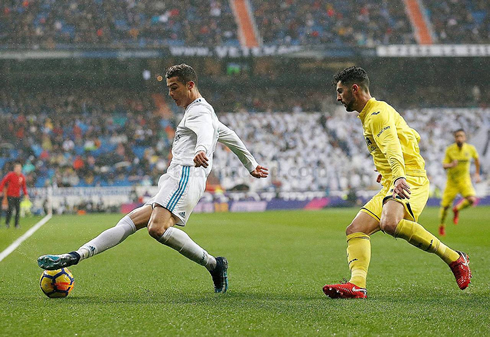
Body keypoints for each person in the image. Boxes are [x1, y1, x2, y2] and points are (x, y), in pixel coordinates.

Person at [37, 64, 268, 293]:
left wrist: (202, 150)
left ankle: (214, 265)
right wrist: (251, 164)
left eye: (174, 87)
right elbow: (230, 136)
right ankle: (76, 255)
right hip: (175, 176)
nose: (170, 94)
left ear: (190, 85)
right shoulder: (202, 111)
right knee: (130, 221)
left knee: (156, 228)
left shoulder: (199, 111)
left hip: (186, 174)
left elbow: (207, 134)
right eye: (168, 88)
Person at [323, 66, 471, 299]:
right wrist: (387, 170)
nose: (338, 97)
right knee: (355, 230)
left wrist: (399, 174)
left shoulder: (377, 113)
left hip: (409, 178)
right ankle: (357, 284)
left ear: (355, 88)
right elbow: (408, 136)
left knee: (390, 223)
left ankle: (455, 259)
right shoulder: (370, 114)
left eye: (341, 92)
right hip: (394, 178)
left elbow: (392, 144)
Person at [438, 129, 480, 236]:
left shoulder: (470, 149)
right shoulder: (450, 150)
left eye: (461, 136)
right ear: (455, 138)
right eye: (457, 136)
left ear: (465, 138)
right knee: (445, 207)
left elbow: (476, 160)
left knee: (471, 199)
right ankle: (442, 225)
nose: (459, 138)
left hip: (464, 180)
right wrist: (451, 165)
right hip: (451, 182)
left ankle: (457, 209)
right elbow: (444, 165)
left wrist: (477, 173)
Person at [0, 162, 29, 228]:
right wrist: (0, 190)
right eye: (18, 168)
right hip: (10, 195)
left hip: (17, 196)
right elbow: (3, 182)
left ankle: (16, 224)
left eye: (20, 168)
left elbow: (24, 187)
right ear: (15, 168)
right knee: (10, 209)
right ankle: (7, 223)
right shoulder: (10, 175)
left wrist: (26, 194)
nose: (19, 169)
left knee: (18, 210)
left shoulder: (22, 177)